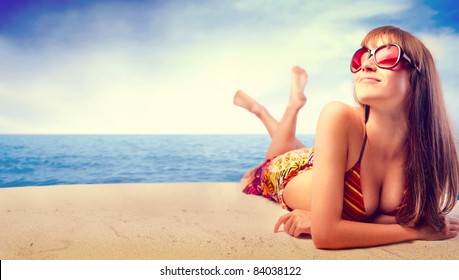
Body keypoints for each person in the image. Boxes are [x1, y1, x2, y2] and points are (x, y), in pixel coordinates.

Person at [234, 25, 459, 249]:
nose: (367, 65)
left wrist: (328, 219)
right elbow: (327, 236)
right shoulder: (338, 115)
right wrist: (416, 231)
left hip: (329, 159)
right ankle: (270, 109)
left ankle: (285, 107)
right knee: (272, 161)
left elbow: (379, 217)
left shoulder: (431, 150)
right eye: (363, 56)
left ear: (420, 76)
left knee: (304, 150)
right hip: (287, 172)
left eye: (388, 55)